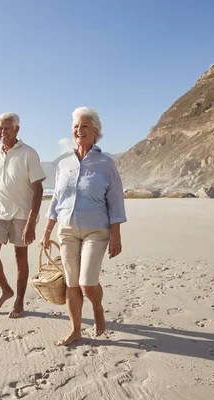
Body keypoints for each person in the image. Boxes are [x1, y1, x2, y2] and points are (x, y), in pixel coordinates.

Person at [40, 106, 127, 345]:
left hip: (96, 230)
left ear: (96, 130)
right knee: (71, 283)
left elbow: (116, 201)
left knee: (87, 284)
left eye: (85, 125)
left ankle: (97, 307)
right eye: (76, 126)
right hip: (66, 229)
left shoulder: (106, 163)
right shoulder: (64, 164)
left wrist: (116, 236)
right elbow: (57, 199)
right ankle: (76, 330)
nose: (80, 130)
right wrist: (47, 230)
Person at [0, 112, 46, 318]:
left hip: (21, 214)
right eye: (0, 128)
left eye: (7, 128)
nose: (3, 132)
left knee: (20, 257)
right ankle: (6, 290)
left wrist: (31, 222)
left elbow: (38, 189)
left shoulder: (29, 153)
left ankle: (19, 300)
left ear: (17, 129)